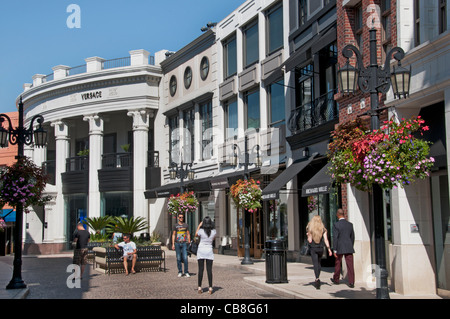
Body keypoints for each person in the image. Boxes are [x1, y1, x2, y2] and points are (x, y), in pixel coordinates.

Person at [306, 215, 332, 289]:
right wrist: (329, 249)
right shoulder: (323, 229)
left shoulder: (310, 229)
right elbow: (326, 240)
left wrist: (308, 235)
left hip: (313, 248)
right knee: (319, 262)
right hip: (320, 248)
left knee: (315, 264)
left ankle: (317, 278)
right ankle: (318, 276)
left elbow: (310, 240)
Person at [331, 208, 355, 288]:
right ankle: (351, 282)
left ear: (338, 214)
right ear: (343, 214)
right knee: (350, 265)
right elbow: (352, 237)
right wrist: (350, 245)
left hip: (339, 247)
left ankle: (336, 279)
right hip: (348, 246)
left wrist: (334, 249)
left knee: (338, 263)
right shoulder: (350, 224)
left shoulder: (336, 225)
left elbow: (335, 238)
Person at [195, 216, 216, 294]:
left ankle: (199, 287)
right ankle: (210, 288)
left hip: (201, 250)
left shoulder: (201, 231)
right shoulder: (213, 231)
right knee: (209, 270)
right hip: (209, 250)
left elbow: (196, 235)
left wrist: (199, 226)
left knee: (201, 269)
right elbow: (213, 239)